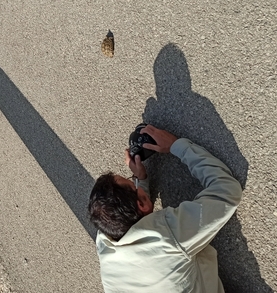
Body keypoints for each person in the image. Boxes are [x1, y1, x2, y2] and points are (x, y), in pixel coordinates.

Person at [88, 124, 242, 293]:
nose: (133, 182)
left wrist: (140, 181)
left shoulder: (106, 242)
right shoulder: (167, 237)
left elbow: (139, 210)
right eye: (131, 183)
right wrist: (177, 146)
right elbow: (227, 190)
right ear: (142, 203)